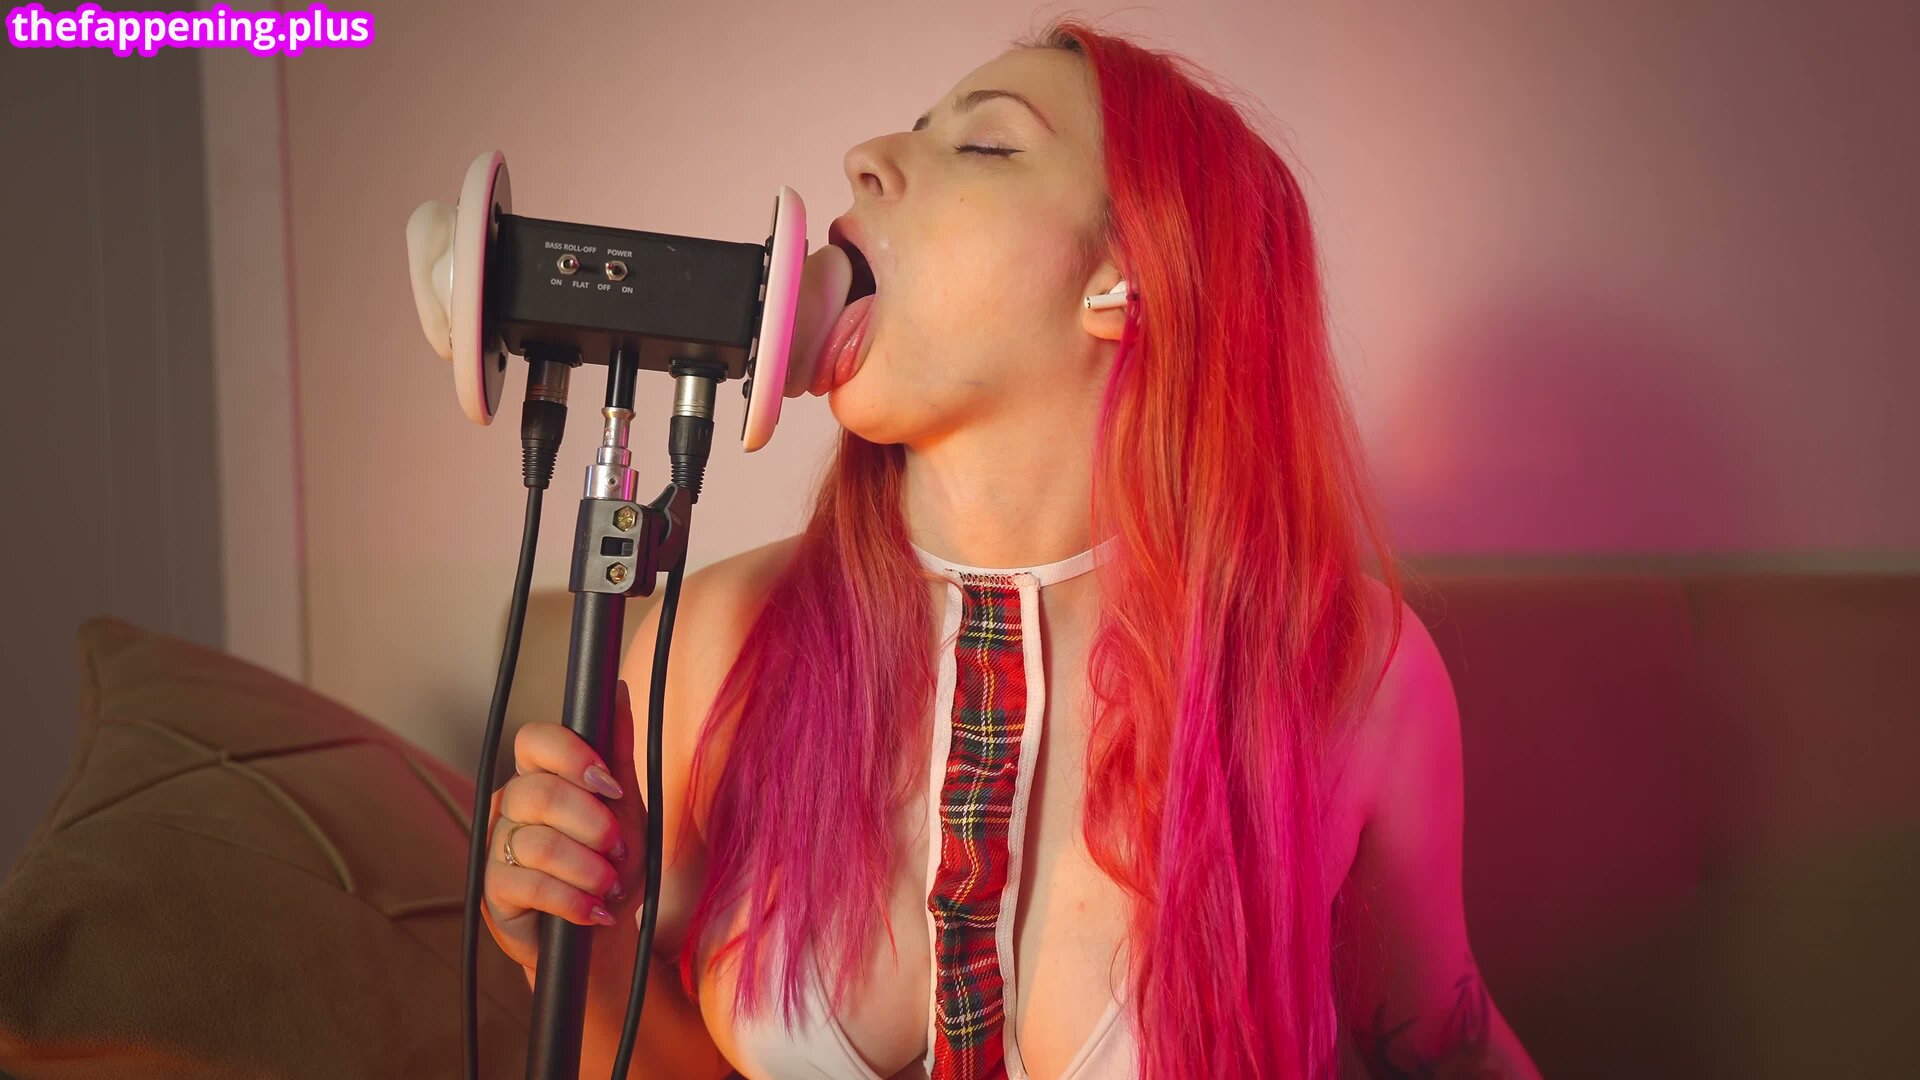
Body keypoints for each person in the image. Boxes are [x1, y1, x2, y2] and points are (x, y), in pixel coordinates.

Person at [482, 18, 1542, 1080]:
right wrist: (575, 956)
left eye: (984, 144)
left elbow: (1448, 1050)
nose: (865, 159)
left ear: (1128, 279)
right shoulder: (713, 641)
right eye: (910, 132)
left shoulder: (1349, 669)